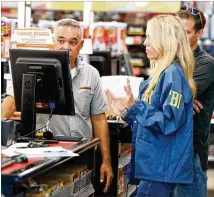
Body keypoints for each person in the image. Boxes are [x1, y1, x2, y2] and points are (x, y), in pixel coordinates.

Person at [1, 18, 113, 193]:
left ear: (81, 45)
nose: (66, 47)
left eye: (72, 42)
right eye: (61, 41)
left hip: (82, 153)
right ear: (54, 41)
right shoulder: (33, 65)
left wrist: (106, 161)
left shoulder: (91, 74)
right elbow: (12, 101)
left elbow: (99, 118)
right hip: (45, 156)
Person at [106, 15, 196, 197]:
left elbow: (169, 122)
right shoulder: (163, 74)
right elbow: (151, 122)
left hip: (161, 168)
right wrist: (126, 110)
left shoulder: (173, 75)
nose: (145, 43)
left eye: (150, 37)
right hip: (156, 168)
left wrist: (136, 107)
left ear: (165, 40)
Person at [174, 6, 214, 197]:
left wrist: (178, 100)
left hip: (192, 154)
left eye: (187, 32)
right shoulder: (171, 60)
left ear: (199, 33)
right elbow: (170, 101)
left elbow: (177, 98)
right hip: (169, 153)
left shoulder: (205, 63)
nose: (180, 37)